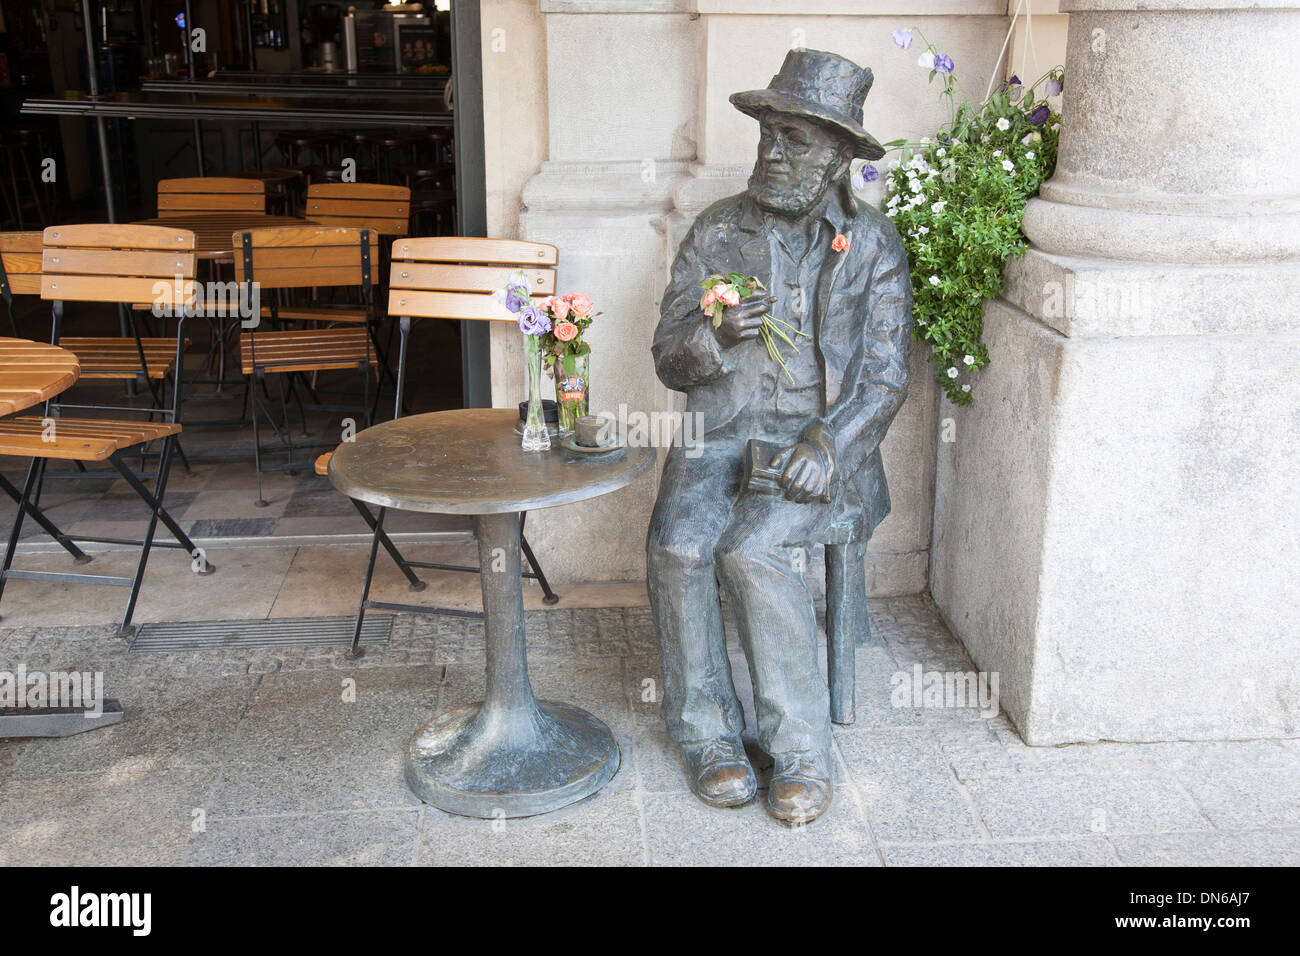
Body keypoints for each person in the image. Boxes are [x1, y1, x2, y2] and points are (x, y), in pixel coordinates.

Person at [646, 49, 914, 825]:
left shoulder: (872, 247)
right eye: (770, 133)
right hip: (718, 435)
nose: (775, 150)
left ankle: (800, 750)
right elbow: (667, 357)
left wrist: (827, 446)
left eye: (797, 139)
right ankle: (709, 737)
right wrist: (715, 332)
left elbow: (883, 377)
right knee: (679, 546)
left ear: (838, 156)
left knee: (751, 549)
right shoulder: (717, 229)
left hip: (820, 444)